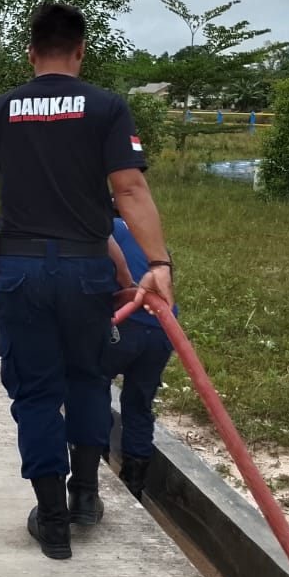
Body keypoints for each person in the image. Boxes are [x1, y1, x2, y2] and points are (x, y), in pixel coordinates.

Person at [0, 2, 174, 560]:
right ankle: (86, 495)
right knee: (88, 378)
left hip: (21, 273)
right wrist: (155, 265)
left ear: (31, 50)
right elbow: (131, 191)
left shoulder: (1, 110)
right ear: (81, 51)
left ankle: (55, 520)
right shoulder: (108, 108)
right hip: (88, 270)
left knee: (37, 391)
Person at [104, 212, 177, 501]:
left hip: (125, 321)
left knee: (94, 386)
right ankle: (134, 484)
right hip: (162, 329)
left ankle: (97, 468)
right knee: (139, 403)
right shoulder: (154, 243)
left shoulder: (106, 228)